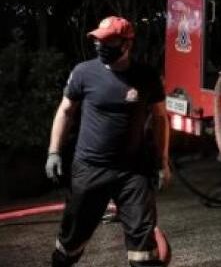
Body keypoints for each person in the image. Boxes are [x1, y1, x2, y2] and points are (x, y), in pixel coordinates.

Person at [44, 16, 171, 267]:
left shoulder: (146, 76)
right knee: (72, 238)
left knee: (144, 244)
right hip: (90, 168)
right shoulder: (84, 72)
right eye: (97, 41)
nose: (100, 47)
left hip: (133, 172)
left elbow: (160, 118)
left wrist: (162, 162)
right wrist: (53, 152)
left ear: (127, 44)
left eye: (108, 42)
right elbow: (65, 111)